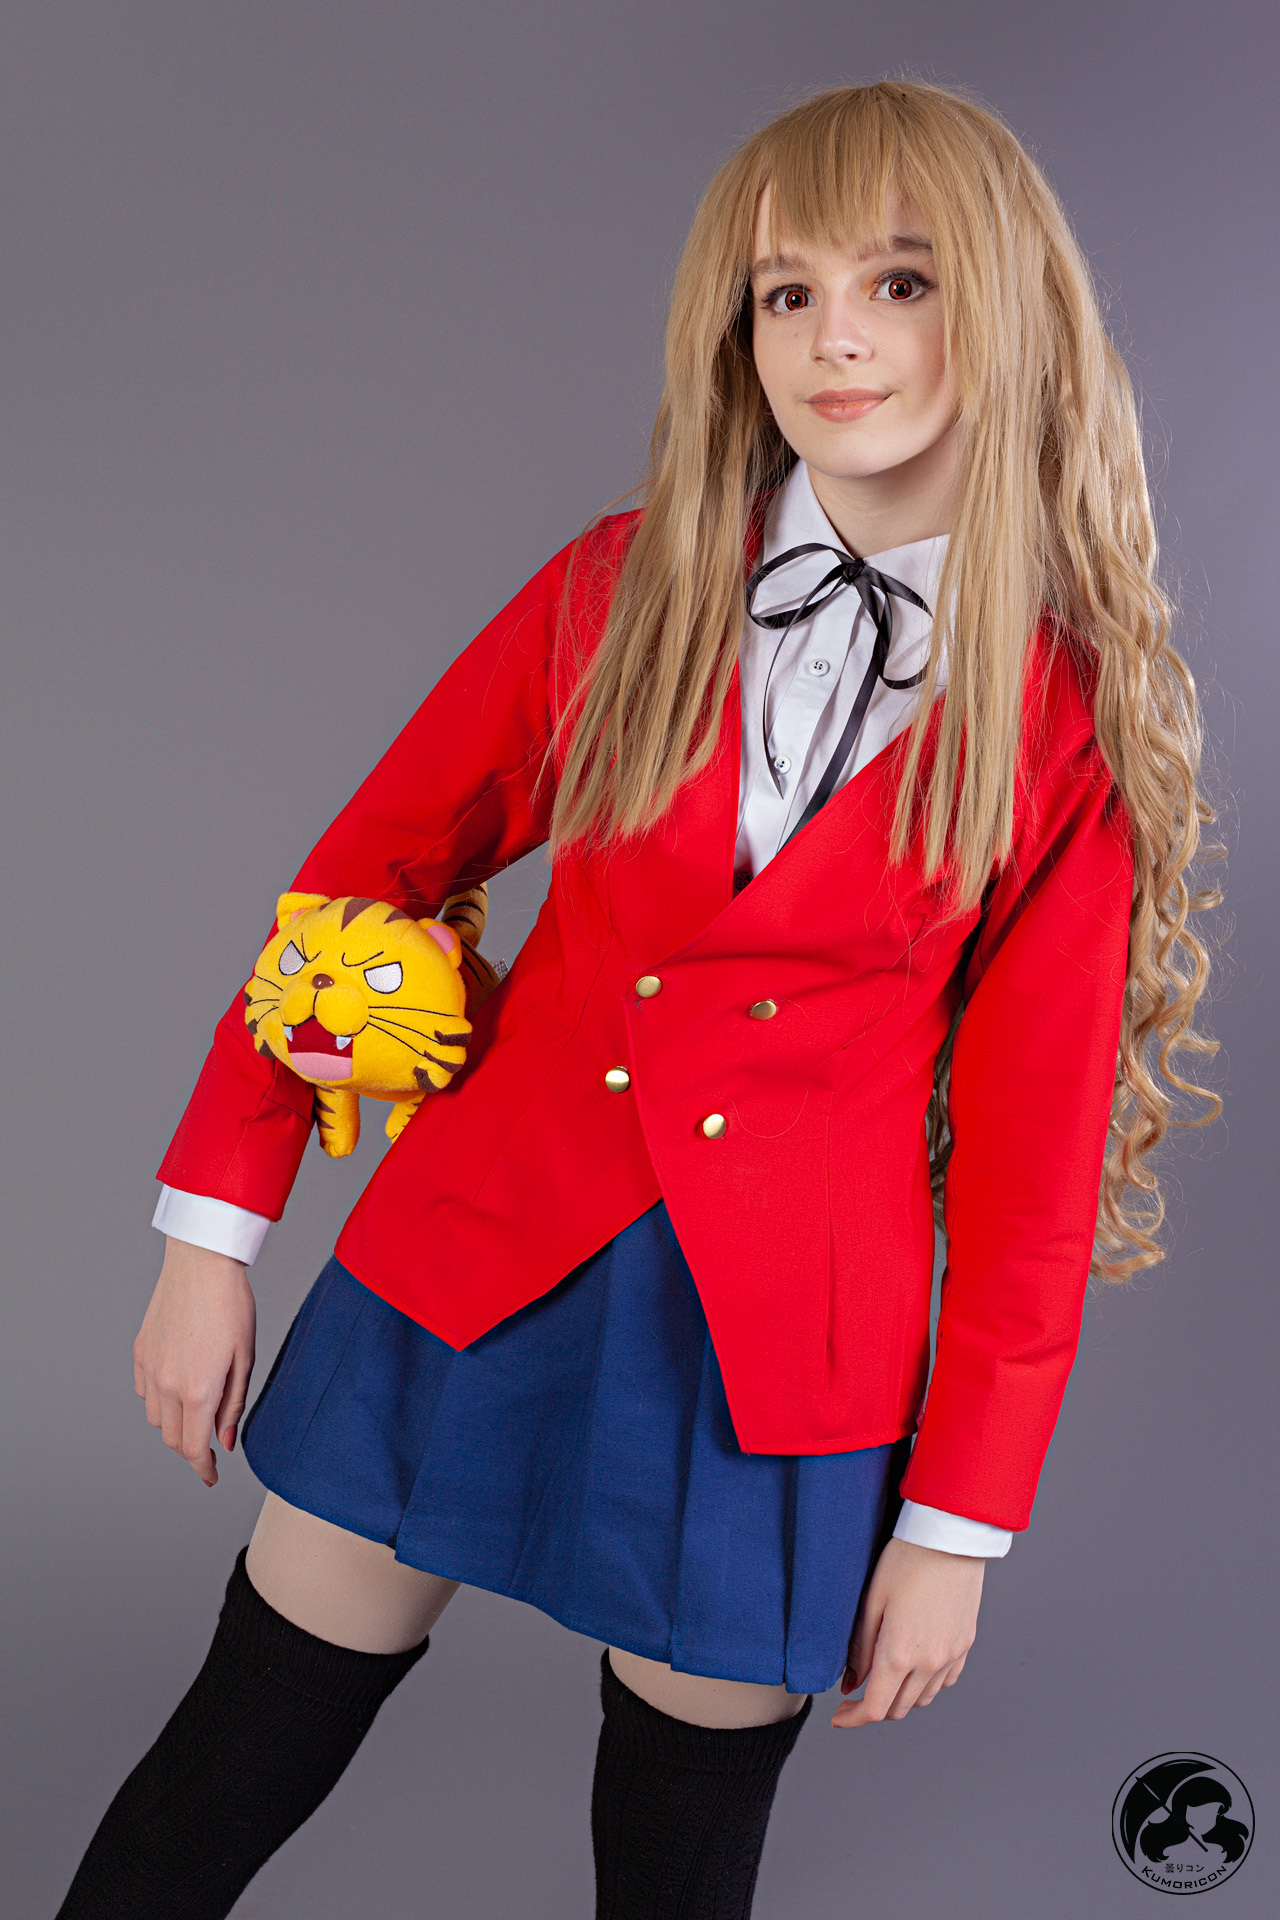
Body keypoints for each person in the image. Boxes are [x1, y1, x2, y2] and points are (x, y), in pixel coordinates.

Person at [56, 78, 1220, 1920]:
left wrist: (957, 1529)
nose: (835, 337)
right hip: (471, 1253)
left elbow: (1031, 1174)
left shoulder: (1061, 724)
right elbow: (362, 882)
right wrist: (212, 1234)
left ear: (1009, 310)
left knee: (675, 1873)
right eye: (786, 292)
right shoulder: (617, 587)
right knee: (234, 1756)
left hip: (781, 1360)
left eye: (901, 282)